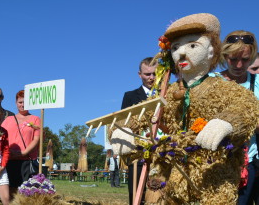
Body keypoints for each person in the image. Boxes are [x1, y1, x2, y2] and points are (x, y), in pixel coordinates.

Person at [111, 13, 259, 204]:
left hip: (214, 176)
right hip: (176, 176)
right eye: (175, 47)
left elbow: (246, 108)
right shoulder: (167, 93)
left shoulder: (224, 87)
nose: (181, 53)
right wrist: (122, 129)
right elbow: (140, 113)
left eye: (192, 45)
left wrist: (227, 122)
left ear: (211, 51)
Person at [217, 30, 259, 204]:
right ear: (224, 55)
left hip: (249, 162)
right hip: (217, 163)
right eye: (233, 59)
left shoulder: (256, 83)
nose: (239, 65)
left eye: (245, 60)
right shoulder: (212, 81)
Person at [121, 57, 156, 204]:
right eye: (147, 74)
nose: (151, 78)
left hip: (163, 154)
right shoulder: (130, 96)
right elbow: (124, 123)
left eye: (154, 73)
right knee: (136, 195)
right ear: (139, 74)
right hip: (138, 155)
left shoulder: (168, 93)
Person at [1, 90, 41, 199]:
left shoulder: (36, 119)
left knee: (28, 191)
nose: (22, 105)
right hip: (10, 160)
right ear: (16, 103)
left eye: (25, 102)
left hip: (27, 161)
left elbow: (36, 139)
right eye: (20, 102)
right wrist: (8, 152)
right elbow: (0, 137)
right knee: (11, 191)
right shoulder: (8, 120)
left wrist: (24, 152)